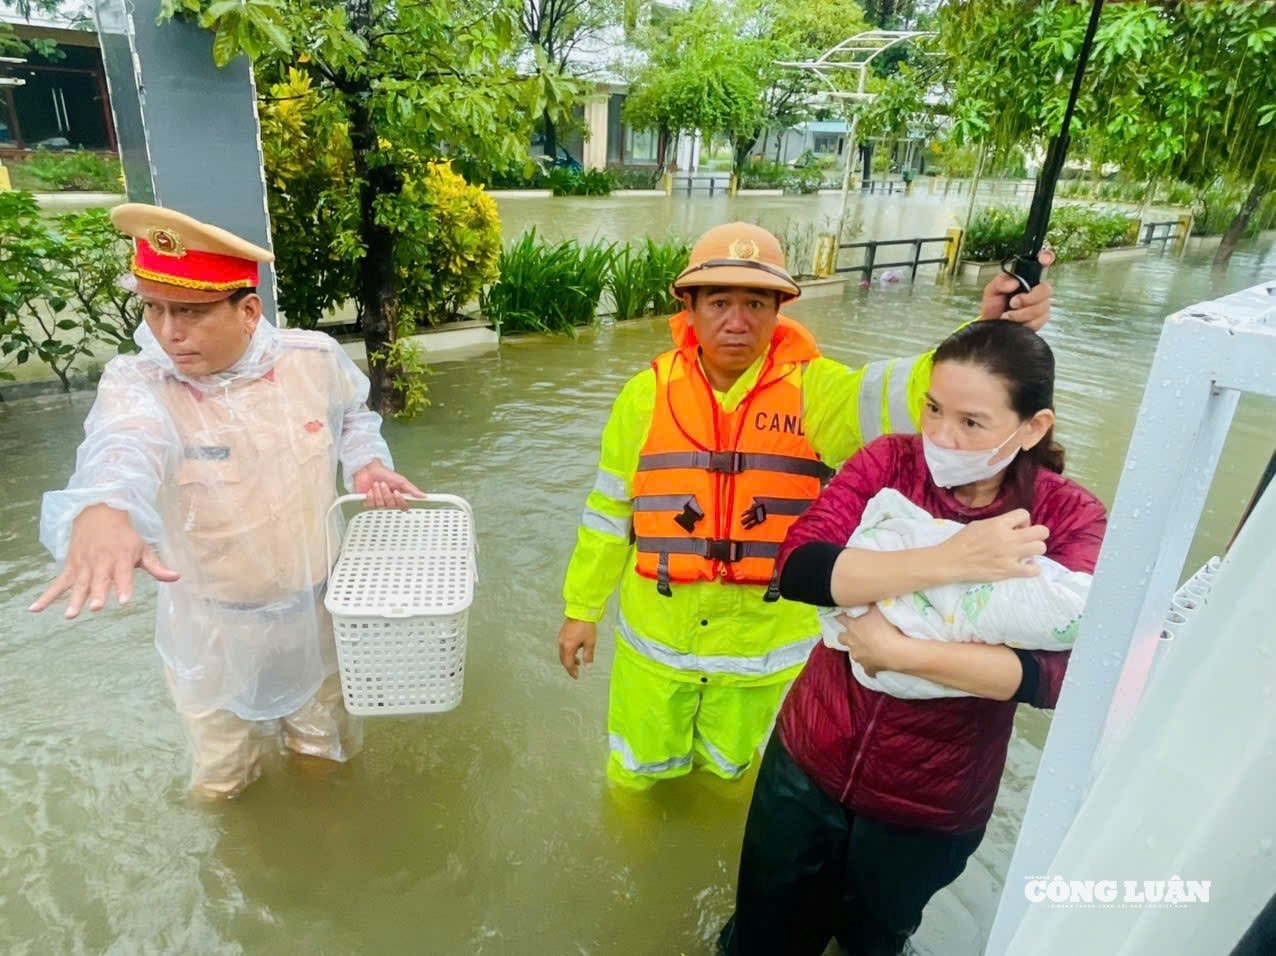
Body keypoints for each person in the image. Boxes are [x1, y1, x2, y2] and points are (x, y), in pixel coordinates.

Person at [555, 221, 1056, 790]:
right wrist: (581, 610)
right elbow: (608, 513)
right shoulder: (643, 394)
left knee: (734, 779)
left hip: (763, 653)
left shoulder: (820, 393)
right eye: (718, 301)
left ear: (780, 310)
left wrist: (984, 331)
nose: (737, 321)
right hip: (656, 649)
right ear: (688, 307)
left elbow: (910, 394)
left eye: (755, 303)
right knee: (634, 773)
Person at [718, 320, 1108, 956]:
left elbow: (1067, 674)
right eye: (932, 408)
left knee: (874, 939)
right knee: (762, 935)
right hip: (807, 764)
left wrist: (900, 654)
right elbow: (800, 568)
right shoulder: (889, 462)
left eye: (971, 422)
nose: (940, 437)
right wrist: (951, 560)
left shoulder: (1068, 516)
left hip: (928, 803)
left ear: (1032, 427)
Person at [30, 203, 422, 799]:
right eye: (154, 308)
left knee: (323, 754)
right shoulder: (140, 385)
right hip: (210, 626)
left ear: (247, 310)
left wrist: (366, 465)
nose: (168, 332)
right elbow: (120, 448)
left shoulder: (311, 360)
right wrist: (106, 507)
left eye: (188, 312)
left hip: (313, 612)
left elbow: (353, 416)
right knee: (222, 778)